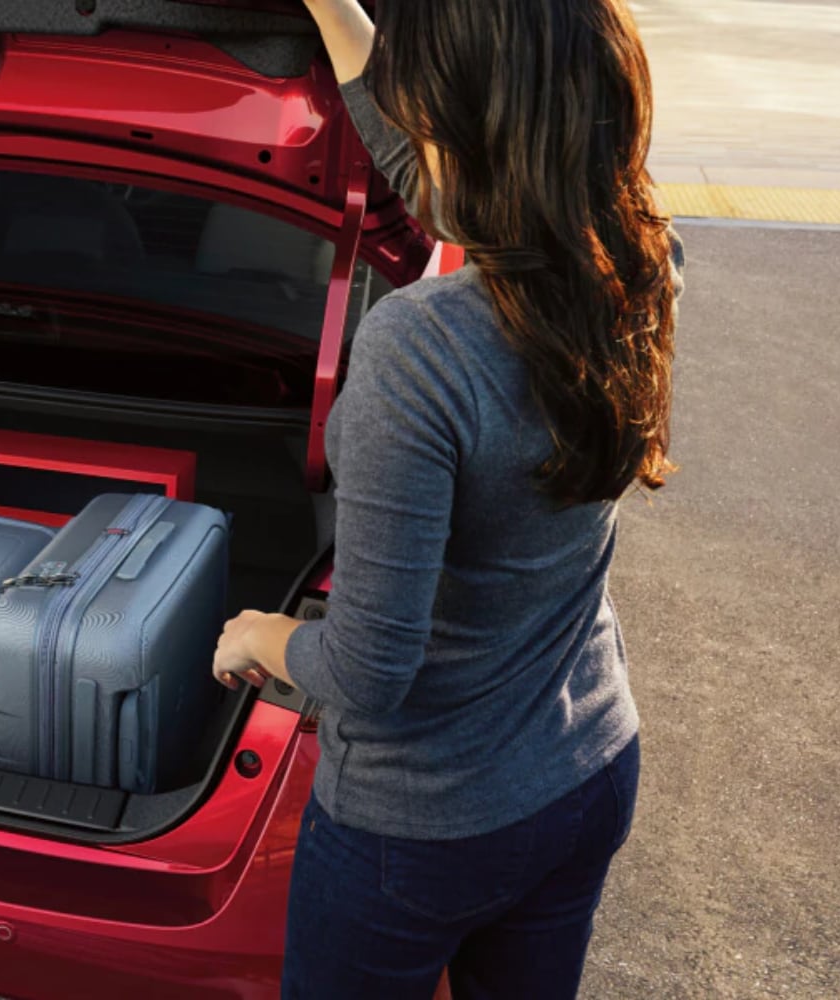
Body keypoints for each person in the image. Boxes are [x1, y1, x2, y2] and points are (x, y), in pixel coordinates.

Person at [209, 1, 684, 997]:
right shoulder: (636, 262)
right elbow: (427, 172)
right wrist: (333, 11)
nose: (410, 135)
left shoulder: (417, 353)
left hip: (422, 829)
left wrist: (260, 634)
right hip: (586, 763)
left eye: (425, 116)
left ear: (473, 134)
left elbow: (370, 670)